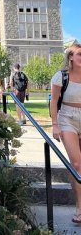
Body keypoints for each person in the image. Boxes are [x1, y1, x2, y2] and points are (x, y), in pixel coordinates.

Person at [51, 43, 81, 224]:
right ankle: (79, 208)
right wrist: (55, 125)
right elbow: (54, 102)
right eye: (79, 54)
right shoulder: (61, 76)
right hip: (67, 118)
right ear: (71, 57)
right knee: (77, 164)